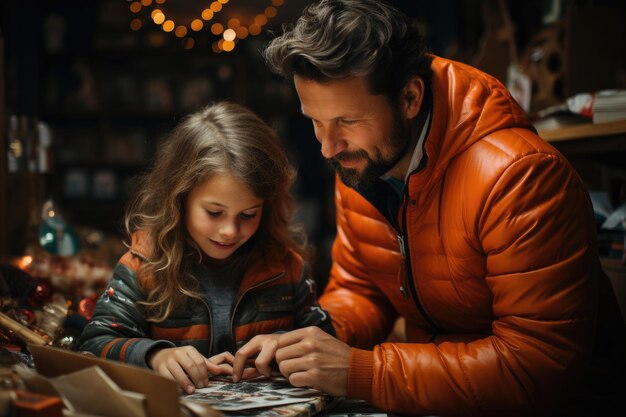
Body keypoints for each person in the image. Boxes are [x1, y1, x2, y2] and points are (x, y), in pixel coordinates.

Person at [227, 1, 626, 416]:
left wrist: (361, 372)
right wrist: (310, 339)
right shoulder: (359, 161)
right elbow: (360, 289)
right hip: (434, 400)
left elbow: (536, 368)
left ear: (410, 97)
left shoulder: (521, 178)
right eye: (315, 121)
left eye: (346, 121)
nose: (327, 146)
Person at [78, 101, 334, 394]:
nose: (229, 231)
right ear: (180, 198)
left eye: (249, 214)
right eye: (214, 212)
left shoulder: (286, 266)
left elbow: (324, 343)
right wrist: (154, 355)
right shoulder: (144, 264)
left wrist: (283, 348)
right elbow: (94, 343)